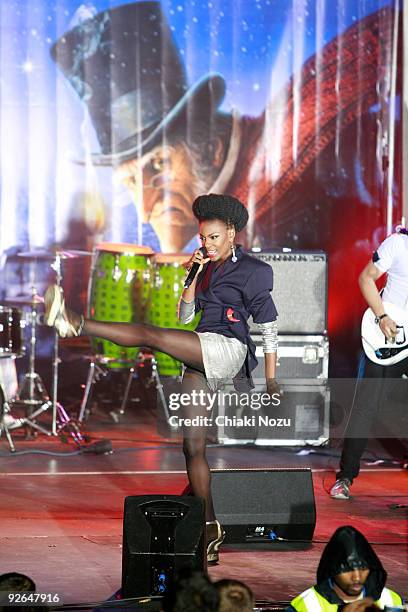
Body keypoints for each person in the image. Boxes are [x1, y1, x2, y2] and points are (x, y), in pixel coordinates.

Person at [43, 193, 279, 564]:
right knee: (192, 449)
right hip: (200, 352)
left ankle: (77, 323)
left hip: (227, 349)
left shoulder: (255, 270)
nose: (208, 244)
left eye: (214, 237)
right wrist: (194, 273)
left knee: (149, 334)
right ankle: (210, 528)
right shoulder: (206, 268)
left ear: (232, 233)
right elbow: (185, 317)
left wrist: (271, 379)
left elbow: (268, 329)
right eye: (203, 238)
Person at [330, 228, 408, 499]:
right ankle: (345, 477)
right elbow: (366, 278)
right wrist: (383, 316)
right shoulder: (398, 244)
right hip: (389, 333)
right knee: (367, 406)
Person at [287, 525, 404, 612]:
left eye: (363, 568)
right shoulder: (306, 605)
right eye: (347, 570)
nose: (357, 577)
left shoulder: (391, 601)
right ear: (333, 570)